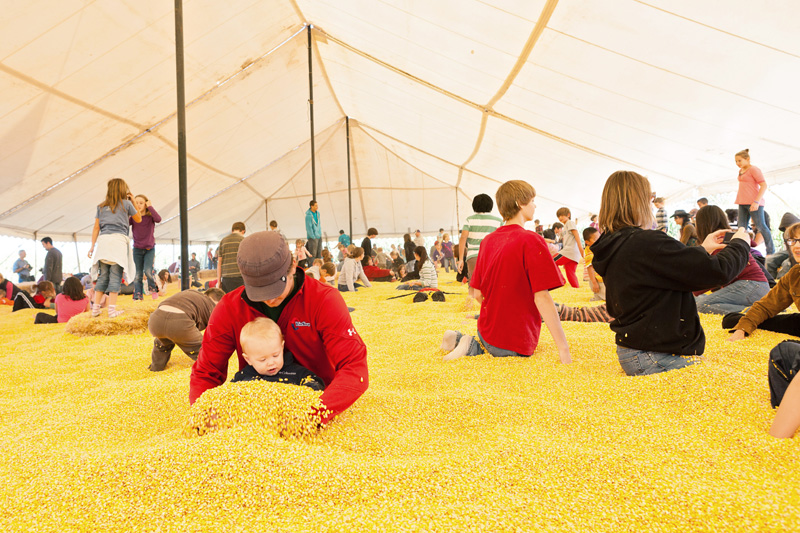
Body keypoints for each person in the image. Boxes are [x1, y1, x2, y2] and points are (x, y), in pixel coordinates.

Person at [189, 231, 368, 424]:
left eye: (275, 287)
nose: (269, 298)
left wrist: (313, 414)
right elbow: (206, 371)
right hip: (255, 410)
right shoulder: (229, 307)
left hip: (316, 402)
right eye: (259, 290)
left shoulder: (324, 300)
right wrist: (204, 412)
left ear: (293, 266)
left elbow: (354, 367)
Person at [591, 170, 750, 377]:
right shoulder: (646, 242)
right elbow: (716, 272)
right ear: (638, 200)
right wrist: (740, 244)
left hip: (633, 348)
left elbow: (658, 271)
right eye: (650, 197)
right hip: (656, 354)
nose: (652, 202)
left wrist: (703, 249)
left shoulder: (614, 243)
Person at [441, 180, 571, 363]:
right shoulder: (531, 240)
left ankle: (462, 340)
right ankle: (470, 347)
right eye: (532, 200)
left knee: (491, 345)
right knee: (511, 354)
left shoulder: (487, 241)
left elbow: (478, 293)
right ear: (520, 203)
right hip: (516, 342)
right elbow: (542, 298)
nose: (535, 205)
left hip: (486, 330)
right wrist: (563, 349)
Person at [692, 205, 770, 315]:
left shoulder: (718, 241)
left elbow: (717, 275)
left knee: (703, 305)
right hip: (755, 285)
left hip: (751, 285)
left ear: (701, 224)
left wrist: (692, 289)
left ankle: (757, 313)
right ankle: (760, 308)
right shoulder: (728, 235)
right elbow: (753, 243)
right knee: (696, 300)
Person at [88, 179, 140, 318]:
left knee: (103, 276)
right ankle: (111, 310)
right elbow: (138, 219)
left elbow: (96, 228)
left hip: (103, 243)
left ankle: (95, 309)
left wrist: (92, 246)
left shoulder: (101, 206)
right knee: (116, 276)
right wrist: (133, 200)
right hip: (118, 242)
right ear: (123, 190)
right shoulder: (127, 204)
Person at [230, 317, 325, 390]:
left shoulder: (295, 372)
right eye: (263, 360)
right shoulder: (243, 377)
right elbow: (229, 395)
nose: (271, 363)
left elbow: (315, 381)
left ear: (282, 347)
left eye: (275, 355)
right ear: (248, 359)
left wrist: (307, 390)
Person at [148, 287, 225, 371]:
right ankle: (212, 368)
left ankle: (156, 366)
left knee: (162, 343)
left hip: (155, 320)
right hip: (180, 323)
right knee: (202, 349)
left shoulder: (191, 293)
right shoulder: (211, 305)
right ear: (218, 301)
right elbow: (216, 329)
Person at [734, 148, 774, 255]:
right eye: (736, 161)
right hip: (742, 202)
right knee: (741, 228)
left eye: (740, 160)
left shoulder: (754, 169)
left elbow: (764, 185)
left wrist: (756, 201)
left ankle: (771, 251)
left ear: (748, 159)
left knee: (761, 226)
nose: (737, 163)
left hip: (754, 203)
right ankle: (743, 251)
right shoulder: (741, 171)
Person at [457, 193, 503, 279]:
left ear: (474, 206)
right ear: (491, 205)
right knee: (491, 283)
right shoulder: (498, 221)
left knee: (473, 284)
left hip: (473, 256)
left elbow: (463, 238)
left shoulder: (469, 220)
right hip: (492, 257)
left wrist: (460, 259)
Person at [129, 194, 161, 301]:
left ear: (146, 204)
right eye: (136, 203)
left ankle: (153, 289)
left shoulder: (150, 216)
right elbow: (124, 223)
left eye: (141, 203)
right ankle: (138, 295)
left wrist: (150, 207)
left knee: (148, 271)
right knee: (138, 274)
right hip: (137, 249)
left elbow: (158, 219)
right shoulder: (133, 218)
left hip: (149, 249)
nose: (138, 205)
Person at [552, 207, 582, 288]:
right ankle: (576, 288)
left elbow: (576, 235)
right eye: (558, 216)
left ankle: (561, 281)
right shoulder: (565, 227)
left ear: (568, 215)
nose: (560, 218)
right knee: (570, 273)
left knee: (551, 261)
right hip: (572, 253)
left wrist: (581, 249)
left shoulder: (569, 223)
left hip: (570, 251)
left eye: (561, 215)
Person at [766, 213, 800, 280]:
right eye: (786, 229)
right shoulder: (785, 235)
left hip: (793, 254)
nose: (789, 230)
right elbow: (789, 249)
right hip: (789, 252)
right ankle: (771, 282)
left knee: (786, 264)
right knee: (769, 260)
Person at [217, 222, 246, 293]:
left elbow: (219, 263)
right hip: (240, 277)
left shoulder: (223, 241)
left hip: (226, 279)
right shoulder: (244, 240)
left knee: (228, 302)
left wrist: (219, 281)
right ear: (243, 231)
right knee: (240, 301)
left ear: (232, 230)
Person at [583, 227, 605, 301]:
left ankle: (598, 296)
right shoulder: (589, 253)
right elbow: (590, 268)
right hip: (598, 280)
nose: (599, 240)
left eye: (599, 237)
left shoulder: (596, 248)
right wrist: (594, 282)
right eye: (595, 239)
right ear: (587, 242)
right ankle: (598, 296)